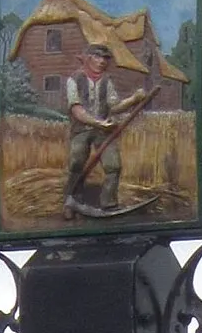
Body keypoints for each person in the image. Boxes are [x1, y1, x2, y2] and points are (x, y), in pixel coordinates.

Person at [62, 43, 144, 216]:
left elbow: (114, 107)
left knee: (113, 165)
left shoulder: (107, 81)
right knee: (76, 163)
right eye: (97, 57)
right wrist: (97, 123)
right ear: (88, 58)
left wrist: (134, 99)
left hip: (103, 130)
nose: (102, 62)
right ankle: (71, 202)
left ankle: (109, 203)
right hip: (82, 129)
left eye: (106, 58)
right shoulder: (74, 80)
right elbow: (77, 110)